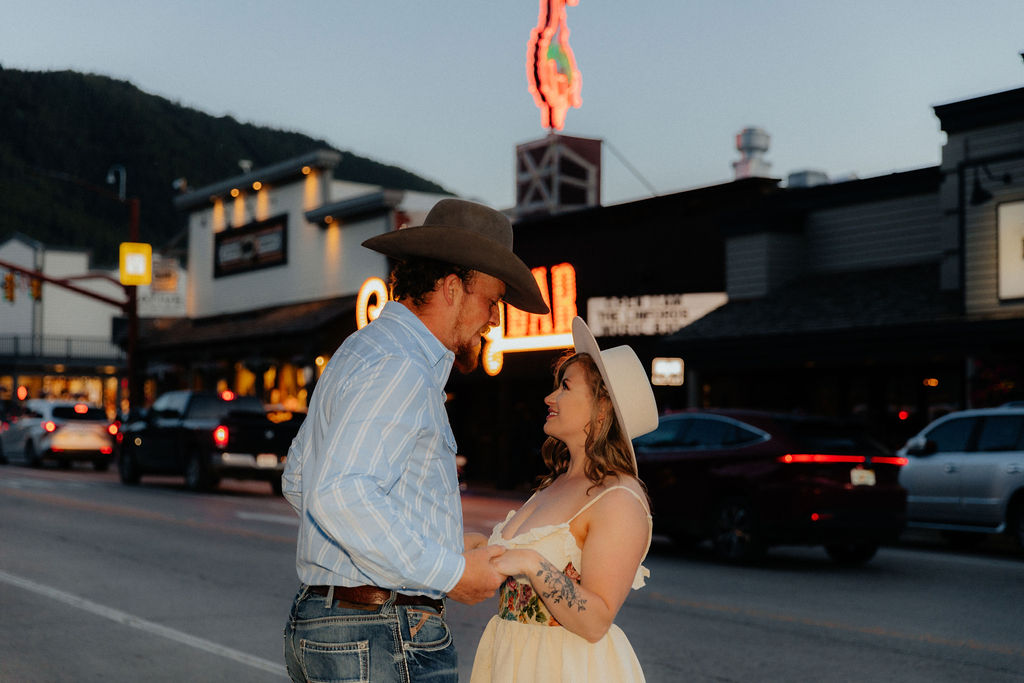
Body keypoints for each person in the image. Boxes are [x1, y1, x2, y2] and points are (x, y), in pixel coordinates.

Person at [281, 198, 550, 683]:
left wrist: (436, 541)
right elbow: (337, 491)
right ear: (451, 288)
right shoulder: (402, 364)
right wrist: (449, 572)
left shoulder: (363, 349)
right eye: (491, 301)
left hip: (337, 625)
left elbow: (301, 478)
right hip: (382, 631)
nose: (494, 318)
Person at [470, 316, 659, 683]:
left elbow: (596, 620)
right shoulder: (555, 484)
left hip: (567, 668)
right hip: (514, 660)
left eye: (565, 387)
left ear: (602, 408)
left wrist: (528, 560)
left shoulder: (618, 498)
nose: (549, 397)